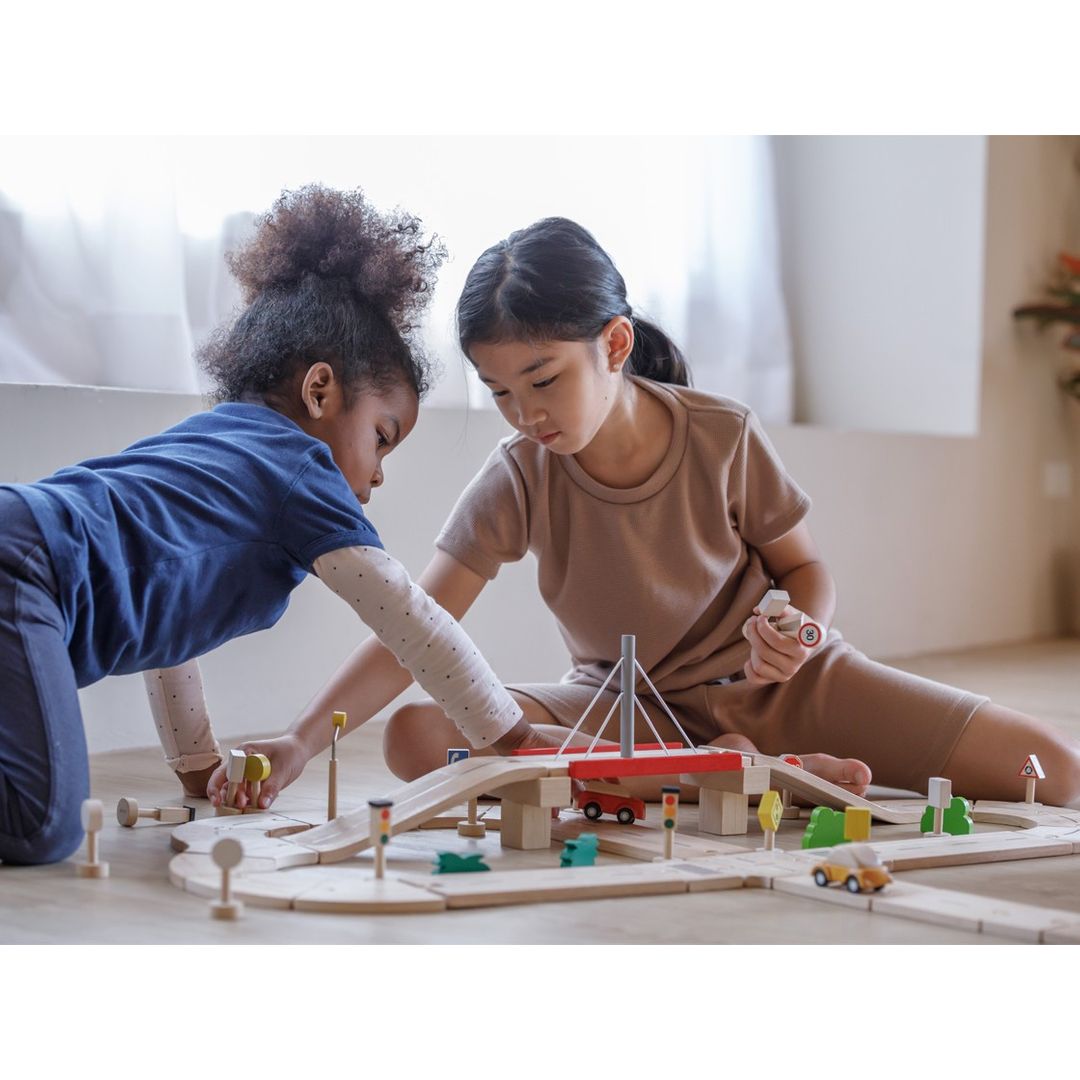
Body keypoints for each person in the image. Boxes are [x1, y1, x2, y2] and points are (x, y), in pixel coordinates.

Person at [219, 216, 1080, 811]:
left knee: (1054, 771)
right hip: (620, 713)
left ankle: (738, 773)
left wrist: (802, 636)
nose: (526, 415)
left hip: (788, 691)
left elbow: (805, 570)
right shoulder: (518, 475)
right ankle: (743, 781)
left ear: (615, 344)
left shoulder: (721, 435)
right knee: (418, 738)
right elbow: (417, 629)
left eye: (545, 380)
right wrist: (300, 742)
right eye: (501, 393)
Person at [0, 185, 535, 866]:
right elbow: (407, 617)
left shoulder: (212, 444)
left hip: (20, 545)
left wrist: (197, 766)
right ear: (320, 392)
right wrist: (510, 739)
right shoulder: (299, 470)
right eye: (381, 438)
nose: (376, 477)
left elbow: (167, 629)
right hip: (25, 570)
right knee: (42, 822)